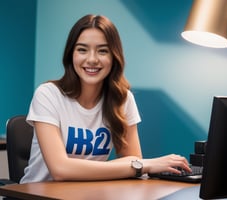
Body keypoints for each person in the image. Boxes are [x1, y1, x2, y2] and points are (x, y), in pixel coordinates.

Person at [20, 14, 191, 183]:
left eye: (102, 51)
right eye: (82, 50)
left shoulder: (122, 99)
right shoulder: (48, 95)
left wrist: (138, 164)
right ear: (71, 54)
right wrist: (144, 165)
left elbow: (133, 160)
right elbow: (60, 170)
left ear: (114, 56)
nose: (92, 59)